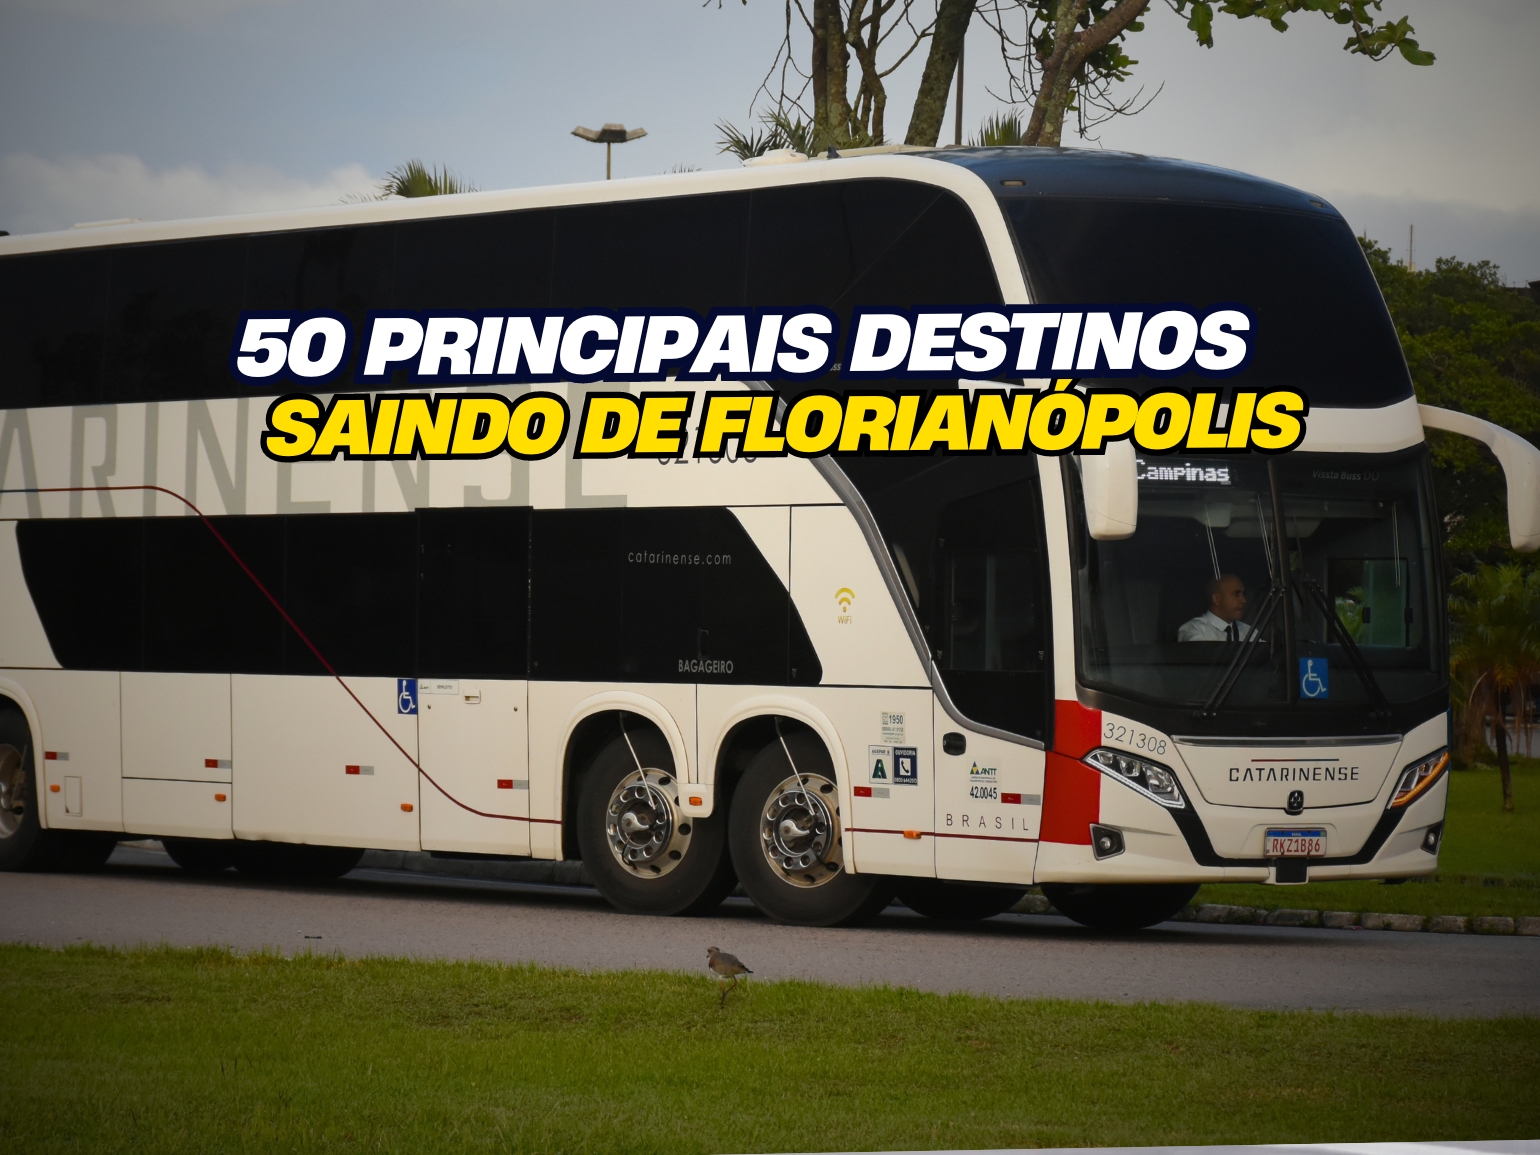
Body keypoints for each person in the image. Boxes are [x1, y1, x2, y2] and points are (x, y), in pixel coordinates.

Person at [1178, 574, 1253, 642]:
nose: (1243, 600)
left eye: (1243, 594)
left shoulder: (1248, 632)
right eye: (1236, 594)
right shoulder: (1193, 630)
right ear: (1217, 599)